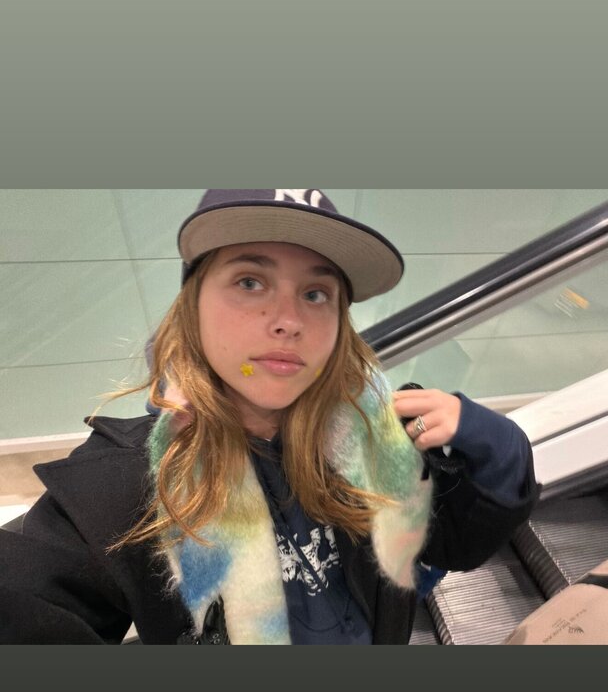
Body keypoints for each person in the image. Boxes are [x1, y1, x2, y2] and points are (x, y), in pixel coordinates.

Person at [0, 189, 540, 645]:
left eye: (316, 293)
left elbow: (455, 546)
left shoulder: (377, 445)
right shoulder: (132, 483)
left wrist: (498, 451)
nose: (287, 320)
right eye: (250, 282)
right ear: (192, 305)